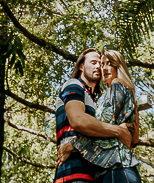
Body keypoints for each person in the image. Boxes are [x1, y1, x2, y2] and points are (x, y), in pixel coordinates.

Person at [58, 49, 142, 183]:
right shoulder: (121, 91)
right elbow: (134, 139)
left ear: (118, 66)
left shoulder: (117, 85)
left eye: (109, 64)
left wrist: (72, 145)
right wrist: (118, 131)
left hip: (116, 166)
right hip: (112, 168)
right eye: (102, 64)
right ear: (81, 66)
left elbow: (103, 123)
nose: (102, 68)